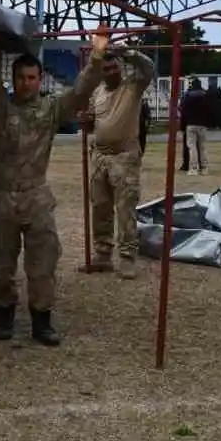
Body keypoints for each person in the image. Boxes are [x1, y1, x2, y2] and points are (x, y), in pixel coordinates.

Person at [0, 27, 109, 344]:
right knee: (2, 262)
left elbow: (79, 92)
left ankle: (42, 322)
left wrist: (98, 55)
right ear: (13, 80)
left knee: (43, 263)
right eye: (21, 78)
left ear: (40, 79)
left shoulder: (51, 109)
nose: (27, 84)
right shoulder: (0, 107)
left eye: (32, 78)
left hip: (37, 197)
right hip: (2, 198)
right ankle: (4, 317)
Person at [78, 44, 156, 277]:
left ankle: (127, 257)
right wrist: (87, 120)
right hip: (100, 155)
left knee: (125, 209)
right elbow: (94, 122)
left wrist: (127, 52)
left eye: (115, 67)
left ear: (121, 68)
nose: (111, 71)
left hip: (124, 156)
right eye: (106, 68)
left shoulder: (133, 86)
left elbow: (148, 68)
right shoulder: (98, 92)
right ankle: (103, 253)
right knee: (100, 207)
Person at [179, 77, 210, 176]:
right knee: (203, 147)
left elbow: (183, 110)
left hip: (191, 124)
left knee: (192, 147)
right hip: (203, 124)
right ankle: (204, 168)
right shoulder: (206, 96)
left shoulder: (188, 96)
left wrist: (182, 125)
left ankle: (193, 168)